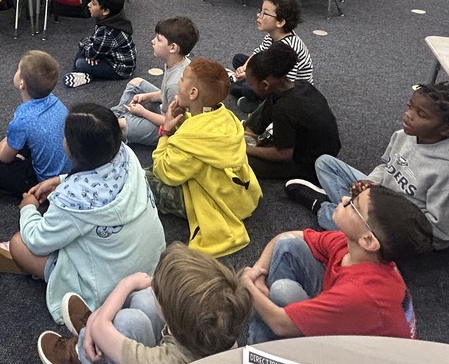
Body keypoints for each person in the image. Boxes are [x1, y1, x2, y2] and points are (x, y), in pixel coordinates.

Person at [0, 104, 166, 324]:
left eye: (65, 137)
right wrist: (61, 180)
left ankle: (56, 278)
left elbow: (38, 241)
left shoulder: (72, 199)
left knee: (19, 243)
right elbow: (100, 177)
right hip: (154, 260)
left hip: (108, 287)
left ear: (73, 151)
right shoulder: (126, 155)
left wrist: (28, 208)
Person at [286, 82, 449, 250]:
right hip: (380, 197)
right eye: (410, 106)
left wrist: (384, 206)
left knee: (343, 224)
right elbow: (385, 166)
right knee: (325, 163)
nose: (408, 115)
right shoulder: (403, 135)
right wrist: (370, 182)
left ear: (447, 129)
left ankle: (324, 207)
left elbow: (441, 232)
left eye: (421, 114)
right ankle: (348, 208)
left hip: (401, 225)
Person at [242, 184, 433, 344]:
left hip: (357, 358)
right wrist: (259, 271)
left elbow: (280, 324)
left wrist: (248, 284)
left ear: (368, 240)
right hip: (349, 323)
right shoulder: (355, 247)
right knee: (288, 247)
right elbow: (285, 237)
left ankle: (256, 356)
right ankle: (272, 348)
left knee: (282, 291)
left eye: (353, 205)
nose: (343, 199)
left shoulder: (361, 294)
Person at [37, 242, 251, 364]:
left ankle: (85, 358)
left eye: (157, 289)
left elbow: (100, 326)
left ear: (175, 325)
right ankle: (106, 337)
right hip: (173, 344)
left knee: (126, 320)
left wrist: (125, 284)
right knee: (144, 302)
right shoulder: (218, 330)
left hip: (145, 362)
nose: (152, 285)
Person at [148, 58, 261, 257]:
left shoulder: (192, 137)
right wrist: (181, 123)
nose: (179, 83)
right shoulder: (225, 115)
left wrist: (165, 131)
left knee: (143, 178)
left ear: (193, 93)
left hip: (210, 200)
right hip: (237, 195)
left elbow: (164, 172)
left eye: (182, 79)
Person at [0, 50, 73, 195]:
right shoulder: (57, 102)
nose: (16, 70)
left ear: (22, 84)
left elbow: (4, 158)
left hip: (44, 181)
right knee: (24, 139)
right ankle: (20, 155)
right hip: (66, 171)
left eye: (18, 69)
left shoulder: (23, 118)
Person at [243, 43, 341, 182]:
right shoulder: (302, 85)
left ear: (265, 84)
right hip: (319, 147)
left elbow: (283, 155)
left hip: (310, 164)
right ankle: (251, 136)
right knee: (271, 100)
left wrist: (246, 149)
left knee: (240, 160)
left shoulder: (284, 109)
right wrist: (249, 134)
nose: (250, 87)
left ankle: (253, 144)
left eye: (251, 84)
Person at [112, 16, 198, 147]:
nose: (153, 41)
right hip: (165, 109)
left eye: (158, 40)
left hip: (170, 130)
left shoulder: (175, 85)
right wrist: (148, 96)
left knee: (121, 125)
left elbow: (172, 123)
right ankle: (115, 115)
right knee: (136, 83)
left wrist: (143, 113)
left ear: (173, 48)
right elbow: (163, 93)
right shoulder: (177, 62)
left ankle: (112, 122)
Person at [229, 0, 313, 104]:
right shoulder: (272, 35)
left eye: (265, 13)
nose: (259, 16)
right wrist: (245, 67)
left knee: (246, 88)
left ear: (280, 22)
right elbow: (258, 53)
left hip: (291, 90)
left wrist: (249, 76)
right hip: (273, 70)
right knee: (238, 59)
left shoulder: (289, 49)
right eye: (260, 11)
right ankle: (246, 87)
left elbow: (284, 84)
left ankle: (255, 100)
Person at [64, 0, 137, 89]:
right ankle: (81, 72)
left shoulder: (109, 31)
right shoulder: (112, 18)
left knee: (81, 62)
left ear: (105, 11)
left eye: (93, 3)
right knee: (84, 49)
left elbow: (92, 52)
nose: (89, 5)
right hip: (110, 54)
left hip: (121, 69)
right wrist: (89, 48)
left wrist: (87, 49)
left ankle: (81, 74)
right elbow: (93, 40)